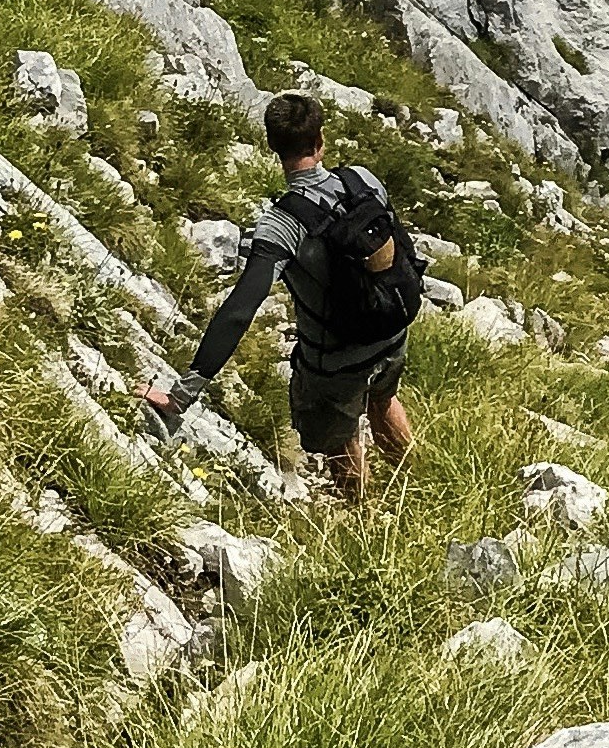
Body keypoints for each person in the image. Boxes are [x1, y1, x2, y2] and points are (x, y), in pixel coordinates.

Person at [141, 91, 424, 499]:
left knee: (339, 436)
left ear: (272, 147)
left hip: (336, 361)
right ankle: (415, 489)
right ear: (320, 139)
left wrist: (180, 395)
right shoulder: (363, 180)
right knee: (383, 396)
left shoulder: (280, 224)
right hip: (392, 331)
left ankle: (367, 519)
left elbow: (240, 310)